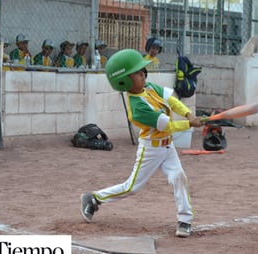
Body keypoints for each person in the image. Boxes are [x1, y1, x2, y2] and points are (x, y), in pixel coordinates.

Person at [80, 49, 204, 238]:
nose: (142, 75)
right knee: (131, 187)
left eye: (142, 72)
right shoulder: (137, 108)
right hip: (151, 149)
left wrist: (189, 114)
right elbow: (168, 126)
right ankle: (94, 197)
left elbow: (172, 101)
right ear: (124, 81)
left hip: (168, 146)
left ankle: (185, 220)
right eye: (137, 73)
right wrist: (190, 123)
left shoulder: (150, 88)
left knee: (179, 177)